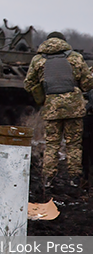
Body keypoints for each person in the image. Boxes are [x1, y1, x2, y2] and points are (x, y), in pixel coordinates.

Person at [24, 31, 93, 191]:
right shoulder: (75, 57)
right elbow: (87, 84)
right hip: (74, 108)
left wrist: (42, 90)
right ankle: (75, 179)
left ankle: (48, 179)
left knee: (52, 144)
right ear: (64, 42)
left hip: (51, 107)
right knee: (74, 144)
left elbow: (28, 85)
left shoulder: (38, 60)